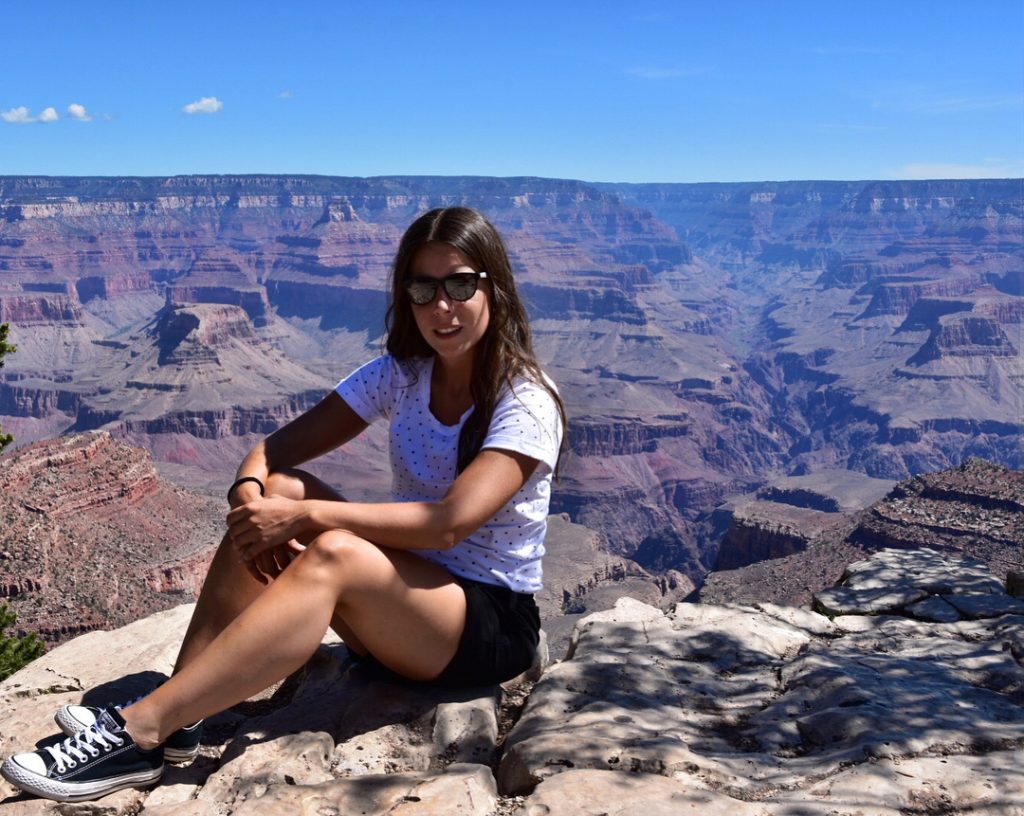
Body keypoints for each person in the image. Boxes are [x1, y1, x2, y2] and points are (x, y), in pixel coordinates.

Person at [1, 207, 566, 803]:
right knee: (281, 490)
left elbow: (449, 524)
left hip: (484, 626)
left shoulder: (526, 401)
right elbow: (271, 451)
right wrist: (250, 500)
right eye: (423, 288)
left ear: (493, 287)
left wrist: (305, 519)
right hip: (403, 602)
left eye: (459, 283)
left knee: (332, 548)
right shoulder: (401, 374)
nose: (441, 306)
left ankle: (139, 733)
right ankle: (183, 709)